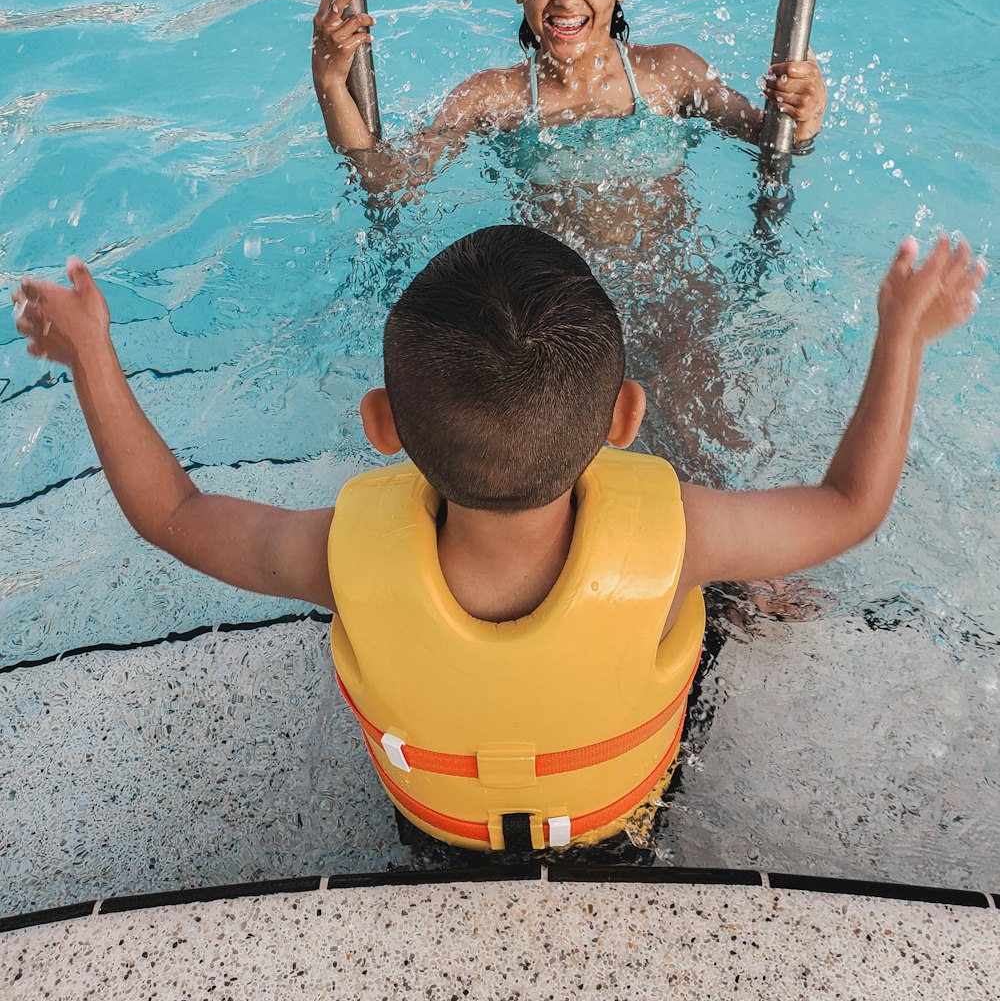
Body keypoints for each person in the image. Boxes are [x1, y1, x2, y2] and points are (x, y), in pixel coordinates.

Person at [11, 226, 982, 853]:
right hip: (623, 823)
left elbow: (171, 513)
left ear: (381, 424)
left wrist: (92, 349)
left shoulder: (337, 556)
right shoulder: (680, 532)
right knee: (720, 594)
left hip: (436, 831)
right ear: (625, 415)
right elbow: (849, 503)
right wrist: (901, 333)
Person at [310, 0, 828, 189]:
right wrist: (331, 83)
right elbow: (387, 182)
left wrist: (804, 118)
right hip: (552, 317)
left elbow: (770, 147)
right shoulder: (493, 97)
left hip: (669, 296)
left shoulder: (671, 72)